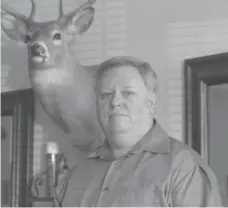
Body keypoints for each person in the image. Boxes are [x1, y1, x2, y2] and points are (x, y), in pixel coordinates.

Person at [55, 56, 223, 206]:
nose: (115, 102)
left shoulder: (184, 169)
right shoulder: (76, 174)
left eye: (128, 93)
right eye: (106, 94)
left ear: (151, 103)